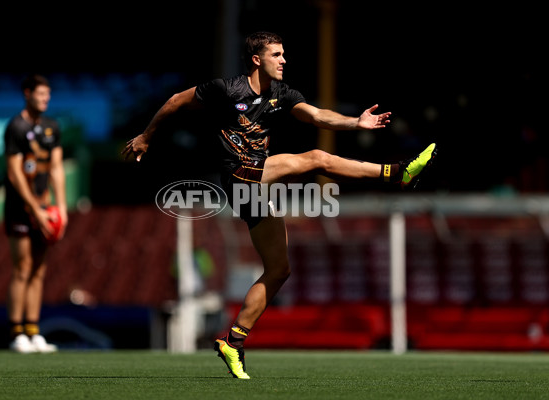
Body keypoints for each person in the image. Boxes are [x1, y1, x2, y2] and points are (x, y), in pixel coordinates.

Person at [123, 31, 436, 378]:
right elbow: (176, 101)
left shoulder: (283, 94)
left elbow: (318, 116)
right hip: (237, 177)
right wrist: (146, 137)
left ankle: (233, 341)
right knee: (316, 158)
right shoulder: (226, 89)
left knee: (278, 269)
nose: (284, 59)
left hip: (256, 187)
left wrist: (355, 122)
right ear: (257, 59)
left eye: (284, 54)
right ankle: (399, 174)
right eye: (277, 54)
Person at [3, 74, 67, 353]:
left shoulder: (52, 127)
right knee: (23, 267)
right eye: (40, 94)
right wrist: (34, 210)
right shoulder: (15, 127)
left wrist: (61, 208)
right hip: (19, 208)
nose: (45, 99)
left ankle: (33, 329)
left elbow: (56, 168)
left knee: (39, 270)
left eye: (47, 95)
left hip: (45, 206)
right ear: (27, 93)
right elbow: (15, 174)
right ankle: (17, 332)